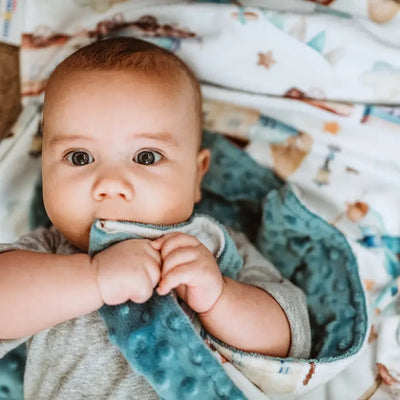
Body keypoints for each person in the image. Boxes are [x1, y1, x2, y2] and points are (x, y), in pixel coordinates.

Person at [0, 37, 311, 399]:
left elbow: (289, 343)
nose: (111, 184)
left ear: (197, 176)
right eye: (80, 157)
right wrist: (94, 278)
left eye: (146, 157)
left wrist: (220, 299)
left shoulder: (213, 249)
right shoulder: (47, 254)